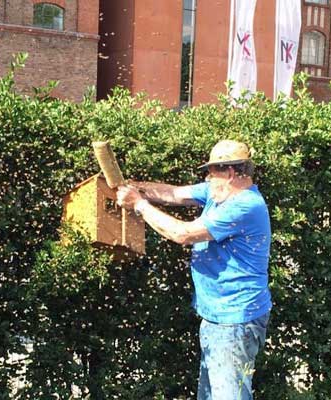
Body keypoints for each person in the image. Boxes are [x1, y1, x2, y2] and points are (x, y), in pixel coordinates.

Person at [116, 139, 272, 400]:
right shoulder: (219, 193)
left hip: (234, 320)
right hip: (217, 317)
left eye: (211, 173)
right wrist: (136, 189)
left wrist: (140, 205)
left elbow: (182, 233)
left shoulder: (244, 206)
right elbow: (175, 194)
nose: (208, 179)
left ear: (230, 173)